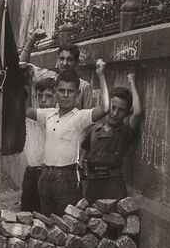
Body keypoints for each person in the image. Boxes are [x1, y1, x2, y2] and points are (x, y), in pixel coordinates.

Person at [25, 60, 110, 216]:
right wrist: (20, 81)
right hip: (45, 177)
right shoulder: (48, 114)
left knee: (67, 225)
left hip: (67, 178)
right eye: (61, 90)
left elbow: (105, 108)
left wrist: (101, 75)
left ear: (77, 94)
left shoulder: (80, 117)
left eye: (70, 91)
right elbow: (26, 110)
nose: (65, 95)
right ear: (56, 92)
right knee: (46, 224)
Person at [81, 71, 144, 203]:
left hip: (113, 185)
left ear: (127, 114)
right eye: (112, 107)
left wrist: (132, 81)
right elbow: (85, 153)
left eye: (121, 110)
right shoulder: (94, 130)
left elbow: (138, 113)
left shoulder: (125, 131)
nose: (115, 113)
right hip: (92, 185)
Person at [20, 29, 94, 110]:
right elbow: (22, 66)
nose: (65, 63)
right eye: (62, 59)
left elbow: (88, 116)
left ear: (77, 62)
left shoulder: (84, 87)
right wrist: (32, 40)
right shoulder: (47, 77)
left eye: (69, 59)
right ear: (57, 60)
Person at [20, 77, 56, 212]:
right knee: (28, 216)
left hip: (51, 174)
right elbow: (22, 102)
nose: (43, 100)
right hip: (32, 174)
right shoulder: (30, 118)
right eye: (40, 96)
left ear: (56, 97)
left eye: (48, 96)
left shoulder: (60, 117)